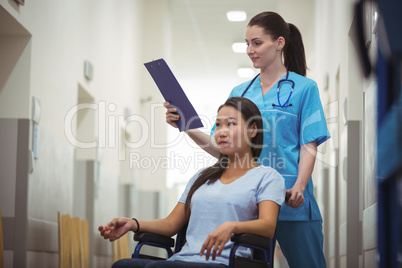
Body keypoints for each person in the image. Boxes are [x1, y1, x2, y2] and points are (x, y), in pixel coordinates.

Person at [165, 11, 330, 268]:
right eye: (247, 44)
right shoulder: (240, 92)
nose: (250, 50)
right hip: (250, 204)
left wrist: (300, 185)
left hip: (290, 199)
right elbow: (221, 147)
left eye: (257, 43)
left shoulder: (304, 88)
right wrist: (185, 125)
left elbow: (309, 142)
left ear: (279, 43)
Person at [100, 97, 286, 268]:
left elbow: (268, 226)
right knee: (123, 265)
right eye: (218, 125)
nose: (222, 132)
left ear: (253, 130)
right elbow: (170, 224)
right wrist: (133, 223)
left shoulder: (268, 177)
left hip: (226, 262)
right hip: (184, 259)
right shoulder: (202, 176)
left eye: (231, 124)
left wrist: (232, 226)